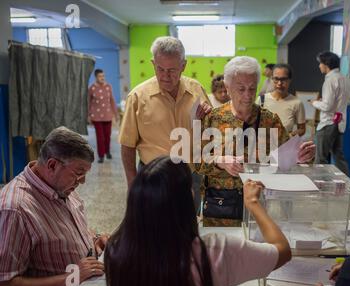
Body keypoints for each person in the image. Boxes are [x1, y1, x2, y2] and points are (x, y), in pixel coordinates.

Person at [104, 156, 292, 286]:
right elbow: (282, 252)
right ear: (184, 199)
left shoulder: (115, 250)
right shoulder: (214, 251)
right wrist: (252, 203)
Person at [196, 56, 316, 226]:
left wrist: (303, 157)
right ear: (228, 88)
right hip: (220, 210)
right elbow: (196, 162)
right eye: (241, 89)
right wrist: (220, 161)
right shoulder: (212, 119)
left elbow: (287, 157)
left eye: (252, 88)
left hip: (258, 208)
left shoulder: (270, 120)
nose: (248, 95)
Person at [0, 127, 108, 286]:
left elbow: (63, 228)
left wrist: (94, 240)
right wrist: (71, 278)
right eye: (79, 174)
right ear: (52, 165)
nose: (83, 181)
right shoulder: (15, 210)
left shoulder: (62, 186)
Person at [118, 36, 212, 213]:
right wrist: (132, 185)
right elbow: (127, 145)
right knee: (153, 230)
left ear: (183, 66)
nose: (165, 76)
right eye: (160, 69)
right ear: (153, 64)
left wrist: (206, 119)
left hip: (191, 175)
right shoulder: (137, 97)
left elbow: (210, 135)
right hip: (153, 177)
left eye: (172, 70)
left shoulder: (197, 90)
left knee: (188, 227)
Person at [311, 51, 350, 176]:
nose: (319, 66)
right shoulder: (346, 79)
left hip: (328, 123)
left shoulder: (329, 80)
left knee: (320, 158)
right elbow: (347, 101)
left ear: (326, 64)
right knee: (338, 155)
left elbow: (327, 106)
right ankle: (348, 183)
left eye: (320, 63)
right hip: (340, 123)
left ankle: (319, 185)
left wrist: (314, 103)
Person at [256, 63, 306, 137]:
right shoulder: (261, 100)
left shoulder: (296, 103)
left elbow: (302, 129)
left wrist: (287, 136)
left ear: (289, 80)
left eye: (283, 79)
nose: (279, 83)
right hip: (263, 146)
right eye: (276, 79)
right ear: (272, 79)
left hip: (284, 147)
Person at [88, 69, 119, 163]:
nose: (102, 78)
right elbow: (88, 102)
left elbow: (112, 100)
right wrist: (88, 115)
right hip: (96, 116)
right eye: (100, 76)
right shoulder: (92, 88)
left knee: (107, 136)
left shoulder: (108, 86)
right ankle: (101, 155)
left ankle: (107, 152)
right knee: (100, 137)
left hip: (108, 115)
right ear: (96, 77)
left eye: (103, 76)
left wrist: (116, 114)